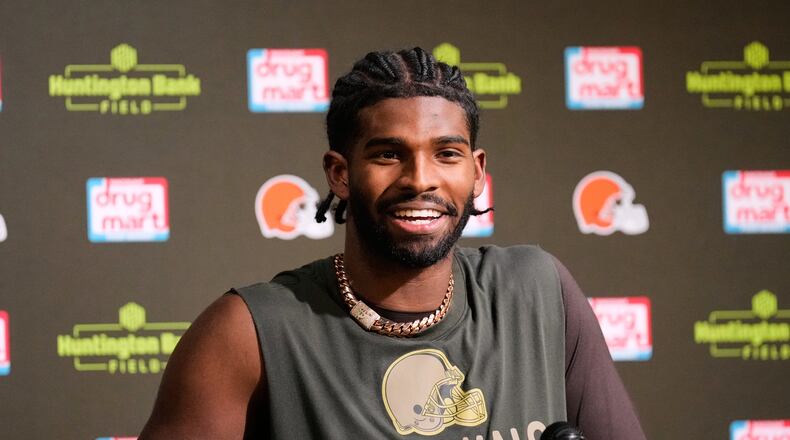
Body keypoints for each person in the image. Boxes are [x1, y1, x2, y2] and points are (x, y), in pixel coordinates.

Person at [140, 47, 647, 440]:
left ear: (476, 173)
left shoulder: (538, 290)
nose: (420, 180)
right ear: (340, 174)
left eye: (447, 154)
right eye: (388, 154)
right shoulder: (248, 332)